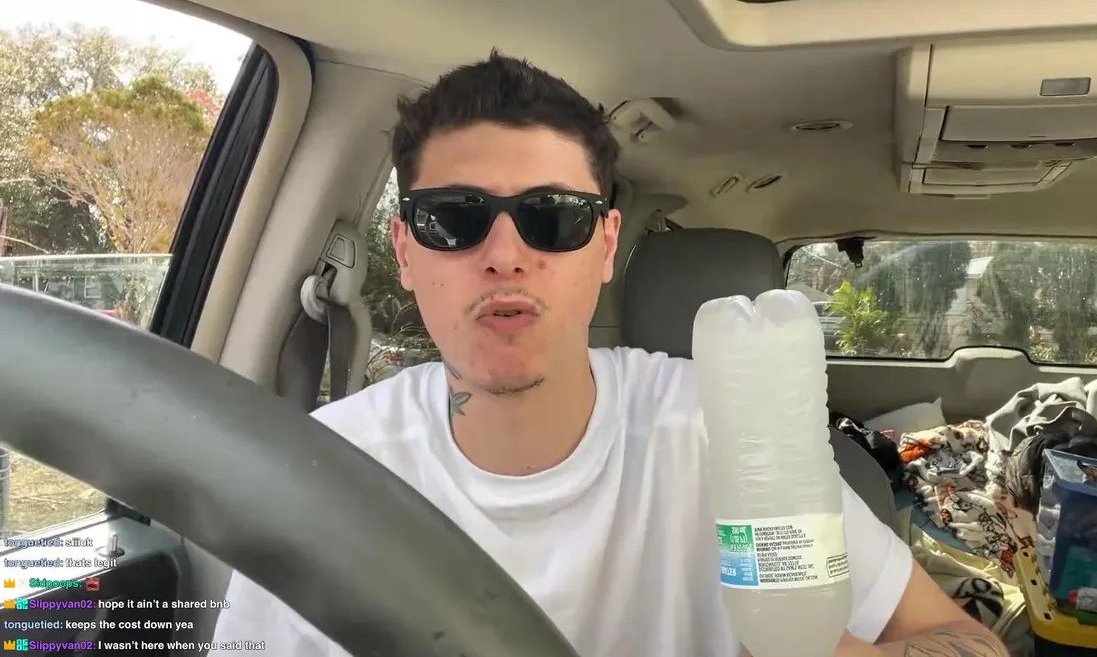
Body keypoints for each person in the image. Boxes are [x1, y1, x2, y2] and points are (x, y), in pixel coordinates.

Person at [210, 50, 1009, 657]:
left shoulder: (720, 427)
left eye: (553, 217)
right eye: (454, 218)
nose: (505, 256)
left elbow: (969, 642)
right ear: (406, 250)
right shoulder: (328, 475)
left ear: (603, 245)